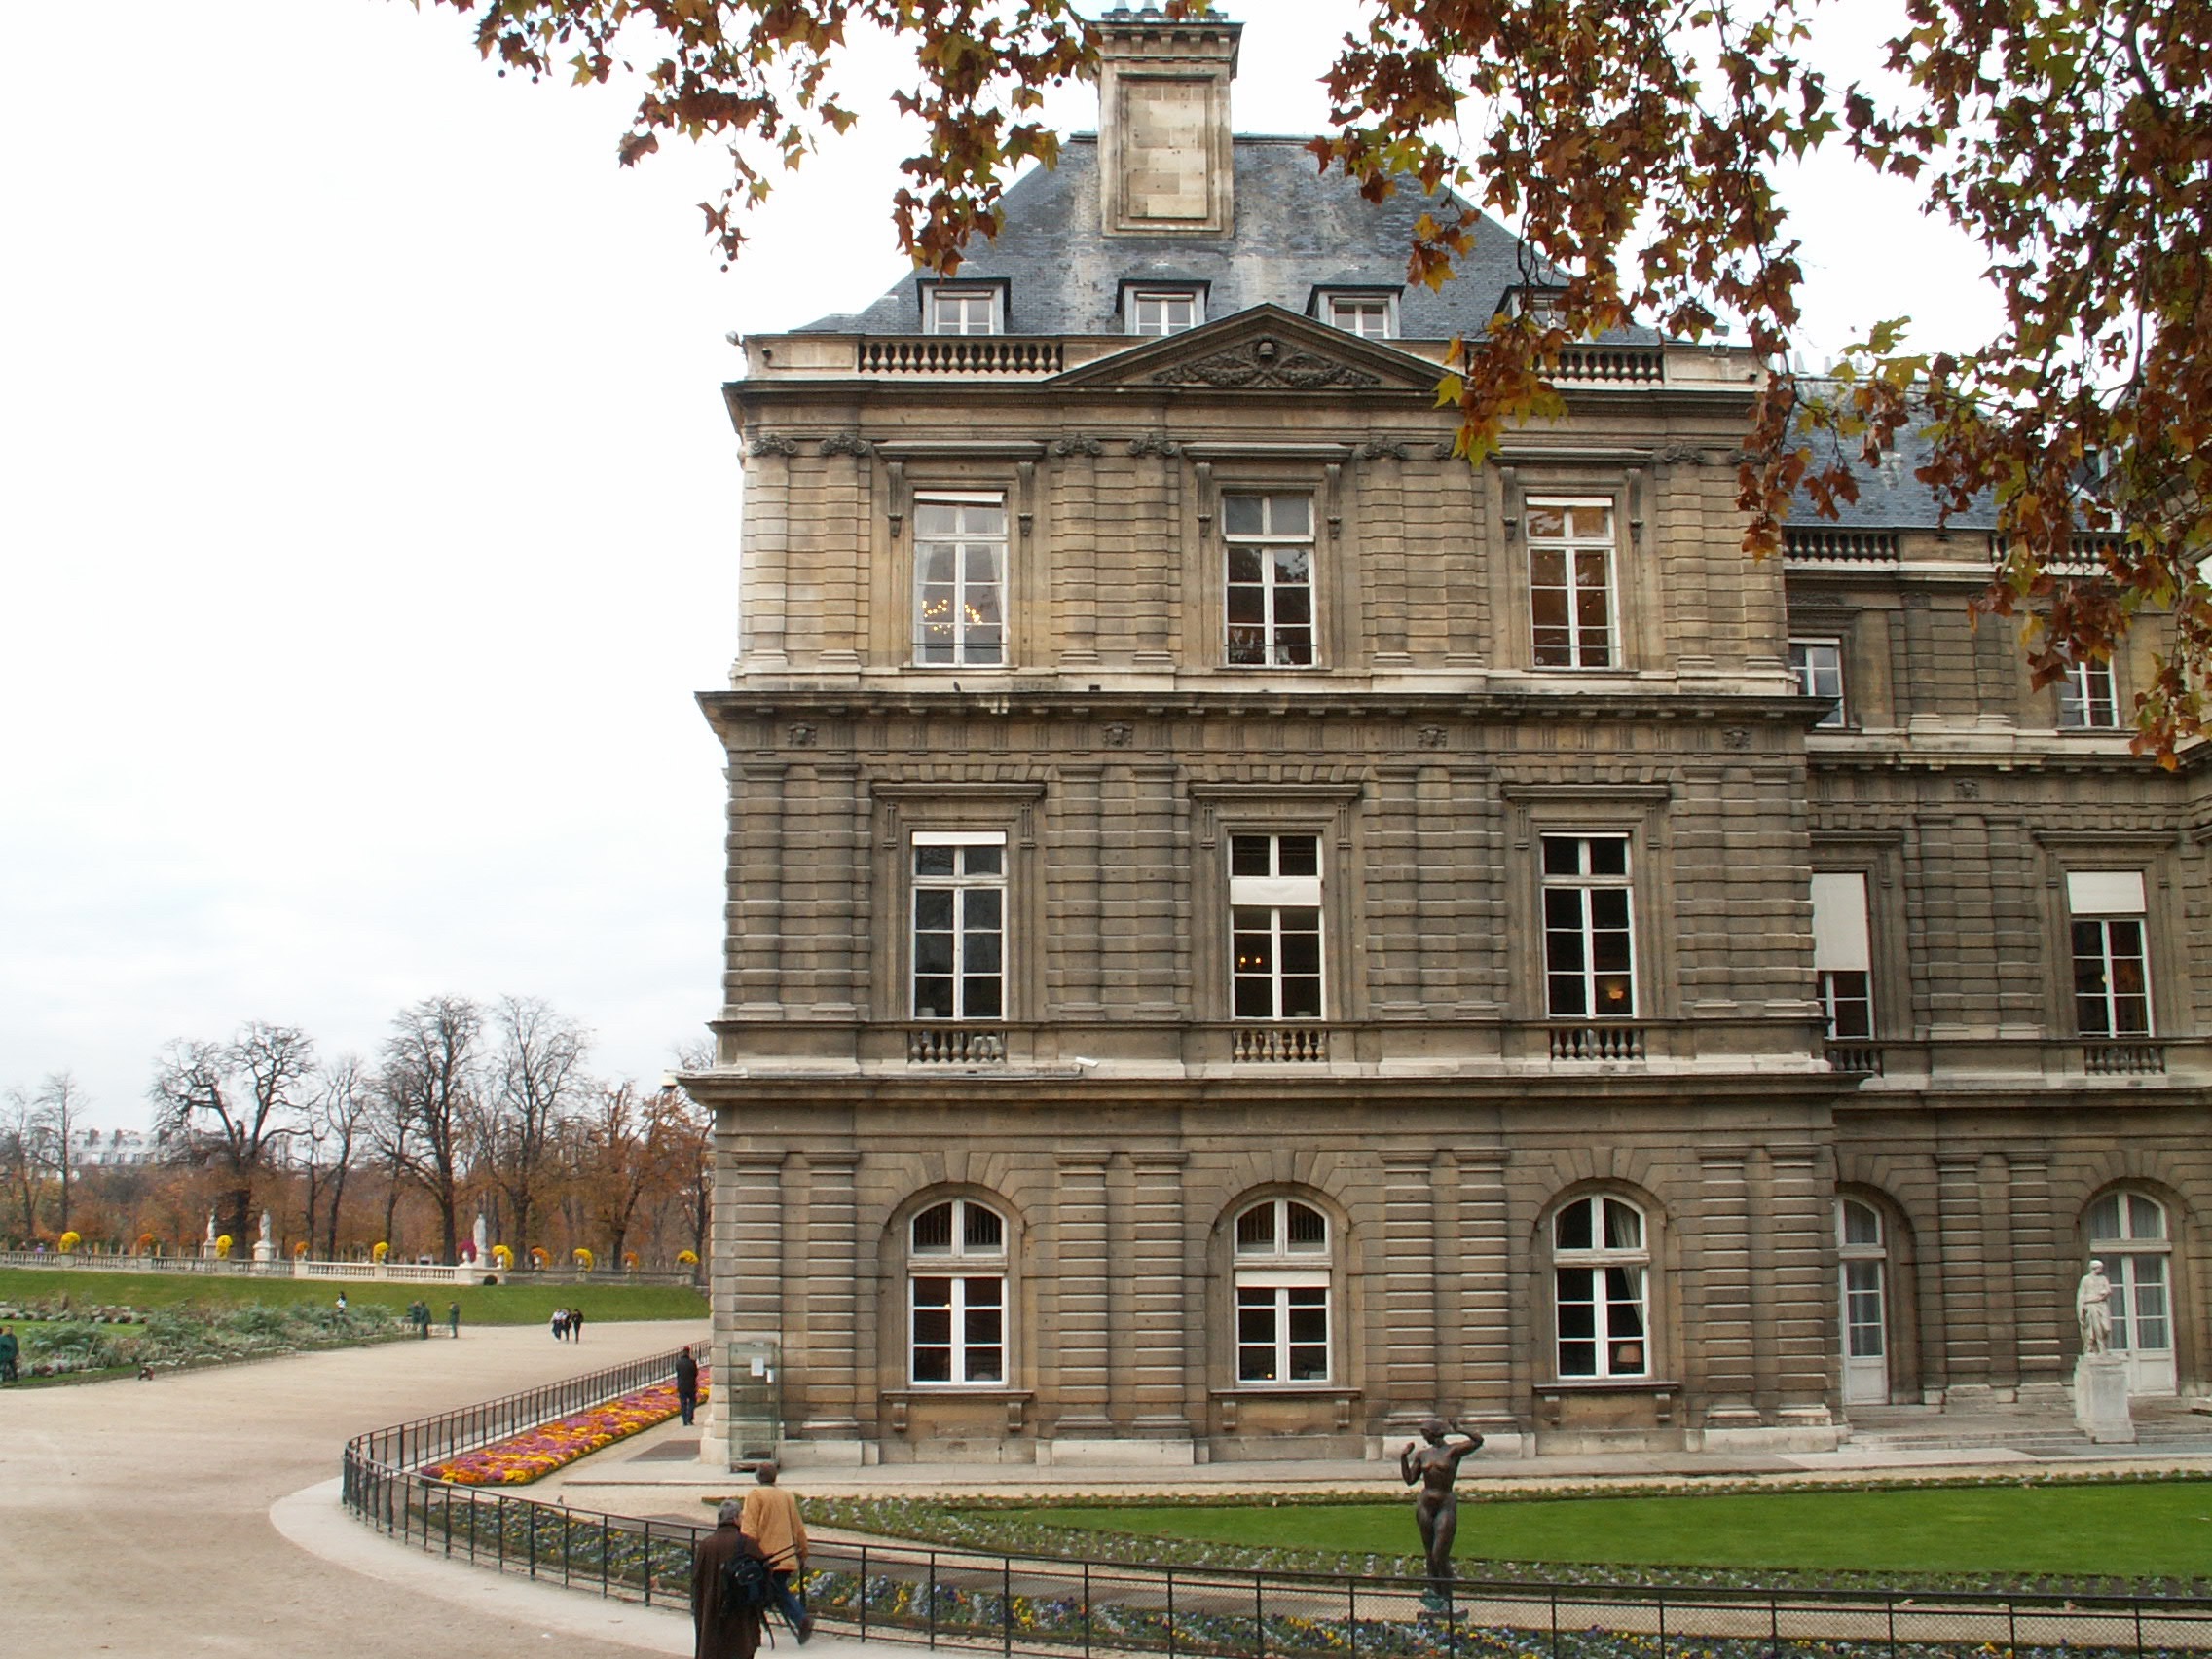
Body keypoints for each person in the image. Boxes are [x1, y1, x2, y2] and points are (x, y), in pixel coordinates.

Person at [1400, 1417, 1485, 1601]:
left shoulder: (1452, 1451)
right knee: (1429, 1554)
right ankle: (1435, 1593)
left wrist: (1460, 1429)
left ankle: (1447, 1595)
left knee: (1439, 1554)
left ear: (1435, 1433)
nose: (1424, 1438)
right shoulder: (1423, 1455)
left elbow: (1478, 1441)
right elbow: (1410, 1479)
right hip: (1425, 1504)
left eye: (1426, 1434)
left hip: (1445, 1503)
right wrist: (1403, 1457)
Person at [739, 1460, 813, 1643]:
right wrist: (803, 1552)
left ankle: (800, 1619)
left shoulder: (755, 1495)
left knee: (761, 1594)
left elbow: (749, 1530)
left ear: (758, 1477)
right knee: (777, 1591)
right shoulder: (787, 1496)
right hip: (786, 1556)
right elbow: (798, 1528)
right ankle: (798, 1620)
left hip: (765, 1559)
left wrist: (743, 1553)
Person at [690, 1497, 770, 1659]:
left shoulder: (706, 1545)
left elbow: (697, 1581)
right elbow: (765, 1576)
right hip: (740, 1615)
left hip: (711, 1615)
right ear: (735, 1519)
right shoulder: (747, 1544)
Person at [2077, 1259, 2116, 1355]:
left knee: (2106, 1328)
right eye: (2100, 1268)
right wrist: (2082, 1306)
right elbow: (2081, 1294)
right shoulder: (2086, 1279)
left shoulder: (2103, 1279)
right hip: (2091, 1305)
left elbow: (2108, 1290)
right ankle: (2095, 1348)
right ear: (2094, 1268)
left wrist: (2105, 1293)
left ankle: (2102, 1347)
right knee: (2094, 1328)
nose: (2101, 1270)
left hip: (2101, 1305)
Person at [676, 1346, 701, 1426]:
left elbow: (678, 1373)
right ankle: (689, 1418)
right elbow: (695, 1373)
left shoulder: (678, 1362)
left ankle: (684, 1421)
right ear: (689, 1353)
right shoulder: (692, 1362)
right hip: (691, 1385)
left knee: (683, 1403)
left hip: (681, 1386)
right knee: (692, 1401)